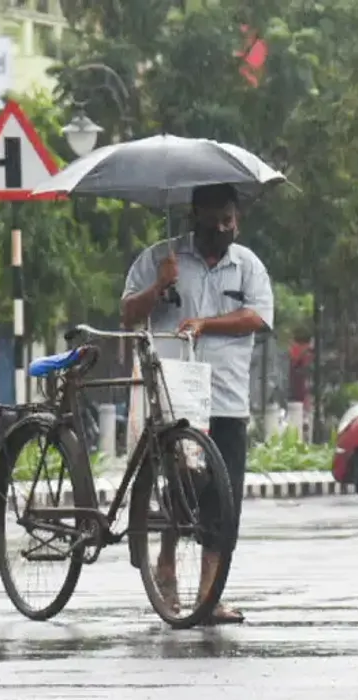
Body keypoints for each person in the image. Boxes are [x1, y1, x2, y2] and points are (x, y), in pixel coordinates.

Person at [120, 183, 275, 625]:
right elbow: (128, 314)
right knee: (183, 483)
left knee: (224, 501)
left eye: (229, 221)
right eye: (214, 221)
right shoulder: (160, 258)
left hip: (226, 398)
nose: (223, 229)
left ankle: (209, 595)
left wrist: (207, 323)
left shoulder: (248, 266)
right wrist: (158, 286)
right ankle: (166, 560)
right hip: (175, 399)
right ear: (195, 218)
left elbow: (258, 317)